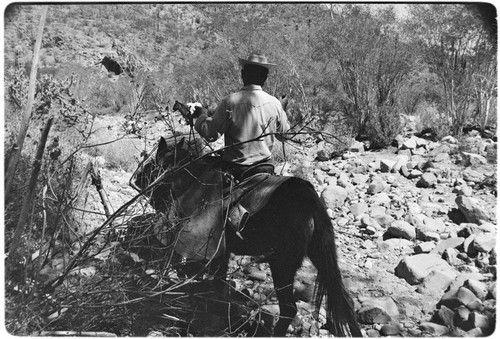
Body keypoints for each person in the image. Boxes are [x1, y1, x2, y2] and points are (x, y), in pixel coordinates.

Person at [194, 52, 290, 180]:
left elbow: (210, 134)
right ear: (265, 78)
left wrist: (201, 117)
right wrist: (282, 110)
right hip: (265, 166)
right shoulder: (275, 103)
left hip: (236, 169)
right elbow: (284, 136)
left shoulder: (230, 102)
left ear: (243, 75)